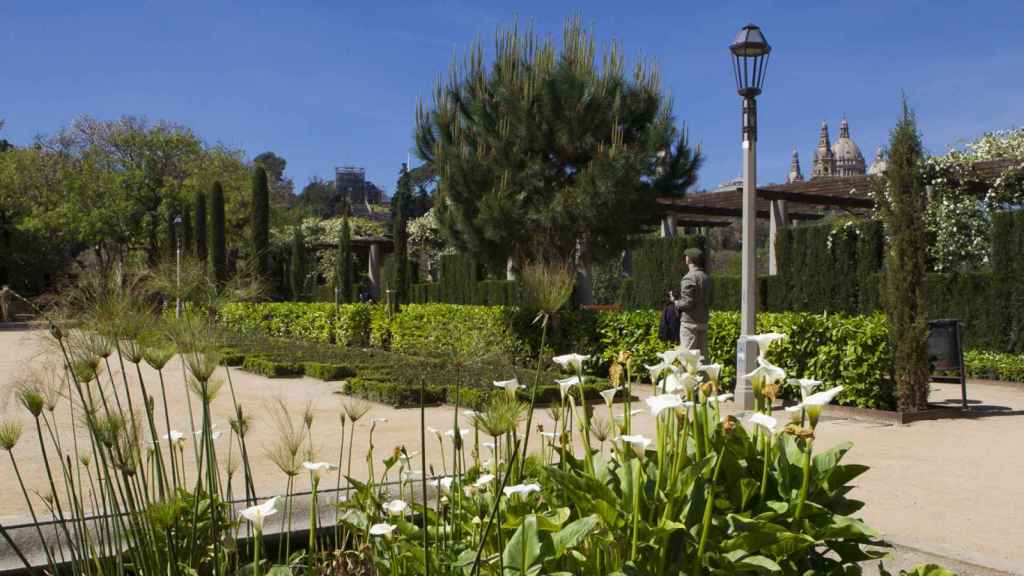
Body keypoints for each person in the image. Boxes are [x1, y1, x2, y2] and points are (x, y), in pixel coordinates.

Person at [674, 248, 711, 357]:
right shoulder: (706, 277)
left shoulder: (688, 278)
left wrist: (676, 302)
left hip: (689, 324)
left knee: (688, 358)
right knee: (702, 359)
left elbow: (687, 303)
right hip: (703, 322)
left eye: (686, 256)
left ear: (689, 259)